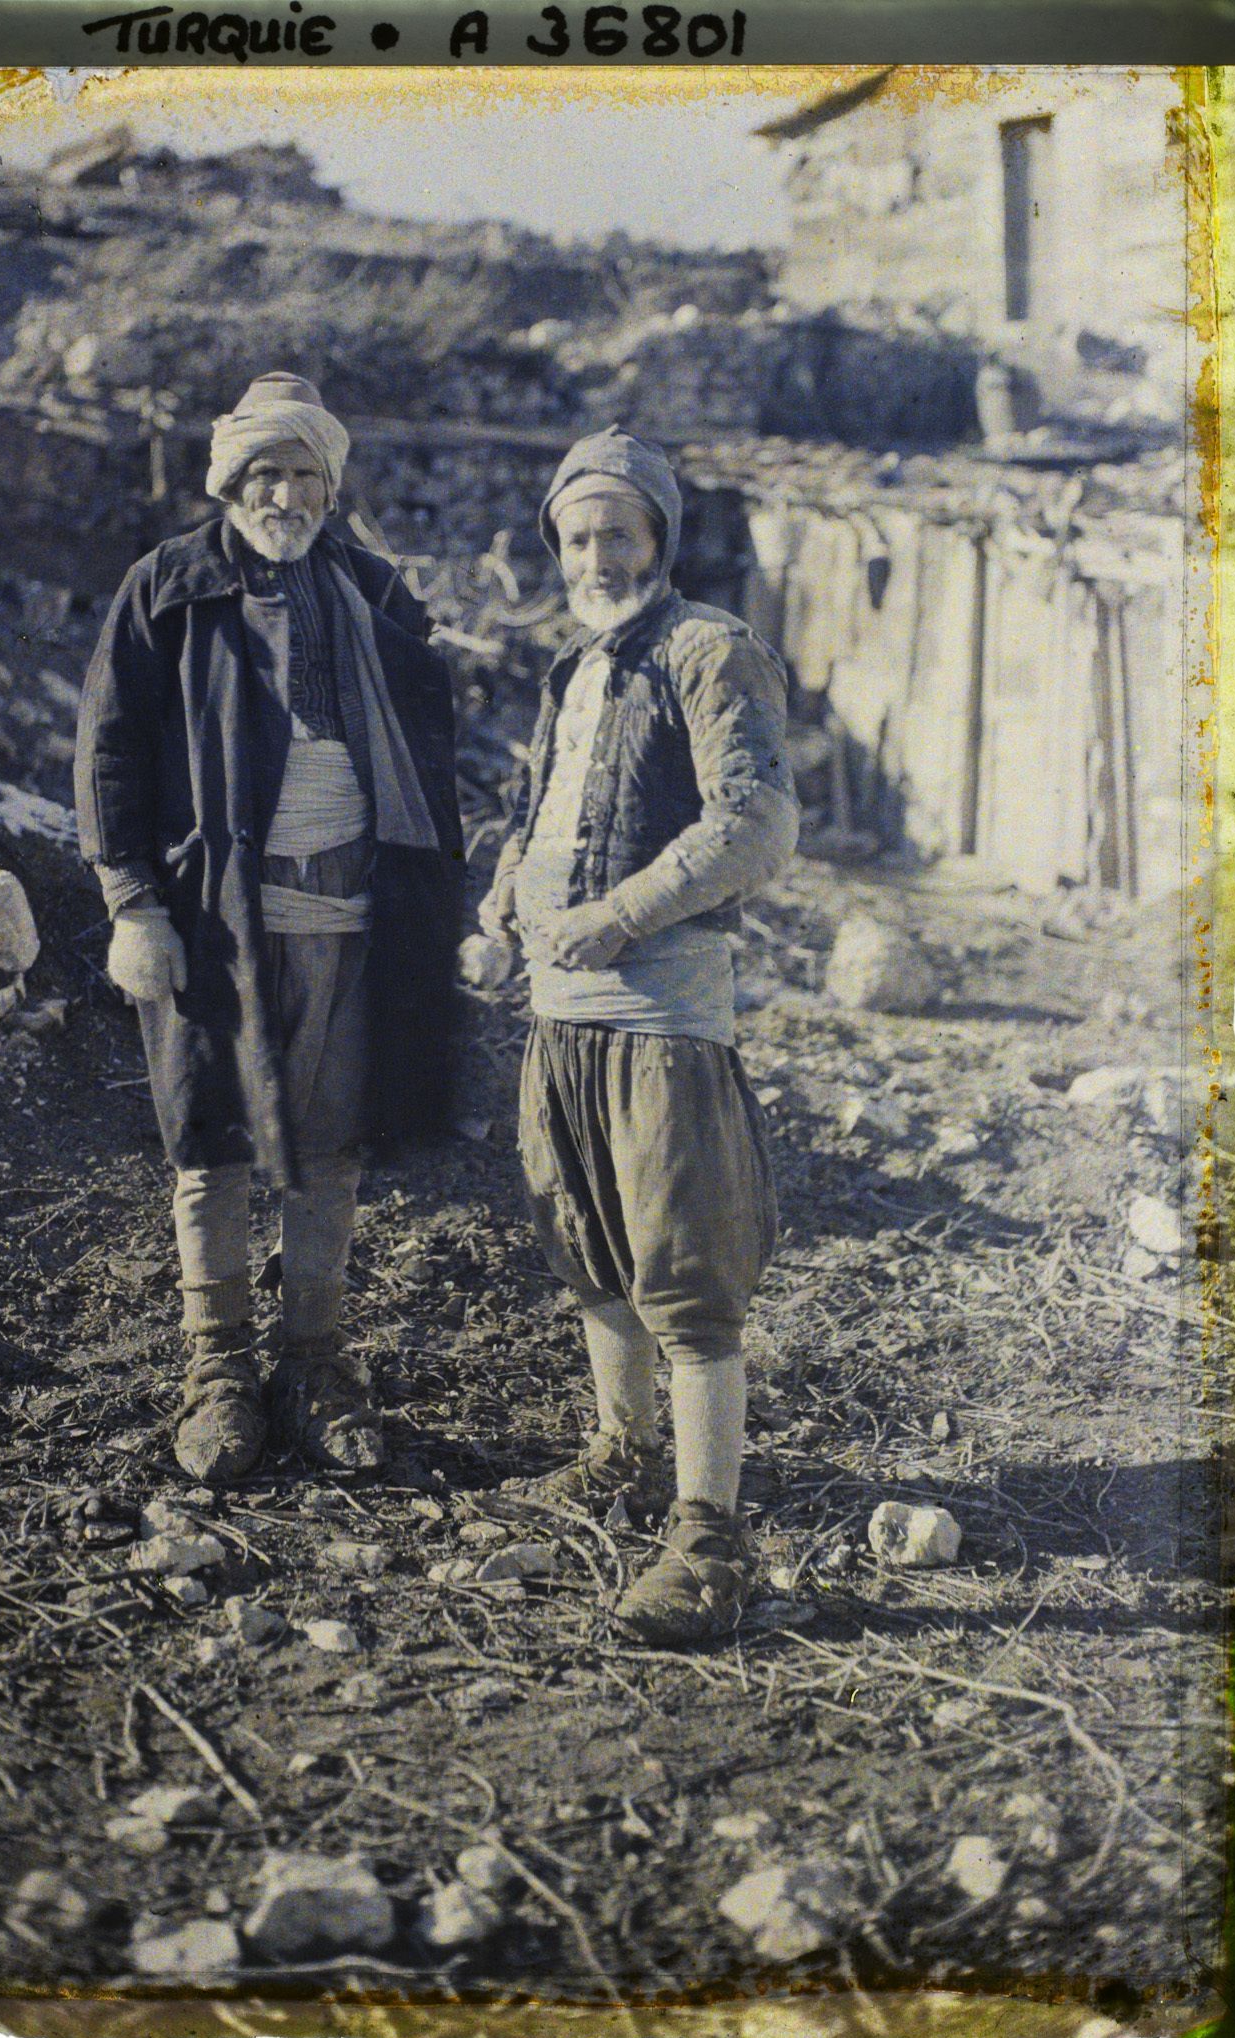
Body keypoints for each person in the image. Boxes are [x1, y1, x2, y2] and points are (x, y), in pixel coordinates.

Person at [75, 371, 462, 1487]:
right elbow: (109, 750)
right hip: (217, 916)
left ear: (330, 486)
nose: (283, 494)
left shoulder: (376, 593)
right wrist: (131, 903)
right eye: (264, 472)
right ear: (228, 481)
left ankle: (313, 1363)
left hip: (353, 916)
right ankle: (219, 1369)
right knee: (214, 1136)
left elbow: (429, 755)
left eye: (302, 473)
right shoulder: (168, 586)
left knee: (331, 1140)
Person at [479, 426, 798, 1647]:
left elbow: (755, 822)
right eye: (576, 537)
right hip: (557, 1016)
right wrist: (501, 896)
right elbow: (538, 811)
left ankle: (709, 1539)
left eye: (618, 532)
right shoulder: (573, 665)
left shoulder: (710, 650)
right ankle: (621, 1449)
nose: (596, 556)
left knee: (683, 1270)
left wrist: (616, 915)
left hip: (660, 1017)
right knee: (586, 1244)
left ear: (660, 537)